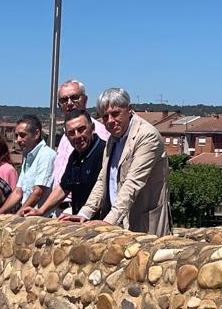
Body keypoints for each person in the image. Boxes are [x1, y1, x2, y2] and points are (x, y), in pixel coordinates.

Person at [73, 88, 171, 234]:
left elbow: (133, 183)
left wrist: (108, 221)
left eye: (115, 114)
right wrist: (84, 214)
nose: (110, 121)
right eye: (105, 116)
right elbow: (103, 180)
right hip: (117, 222)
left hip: (143, 225)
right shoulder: (112, 138)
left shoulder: (147, 136)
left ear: (129, 110)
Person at [30, 111, 106, 216]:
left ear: (92, 128)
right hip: (80, 220)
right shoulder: (75, 156)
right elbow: (64, 187)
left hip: (100, 221)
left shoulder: (105, 151)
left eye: (81, 129)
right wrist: (41, 210)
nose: (77, 136)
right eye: (71, 133)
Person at [6, 114, 57, 214]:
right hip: (27, 215)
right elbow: (17, 192)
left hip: (42, 218)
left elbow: (38, 193)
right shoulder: (28, 157)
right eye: (16, 136)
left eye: (22, 135)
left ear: (36, 134)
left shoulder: (46, 155)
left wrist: (17, 216)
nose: (18, 140)